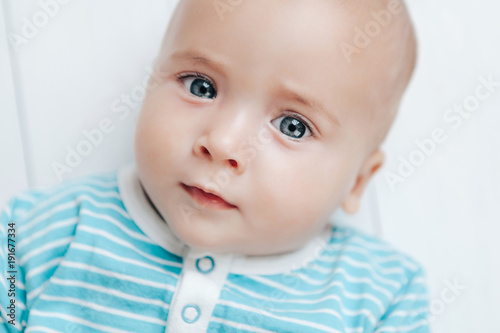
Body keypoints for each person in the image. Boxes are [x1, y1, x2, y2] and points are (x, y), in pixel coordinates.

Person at [1, 0, 430, 332]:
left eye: (293, 126)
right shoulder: (38, 230)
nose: (223, 143)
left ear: (357, 181)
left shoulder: (381, 296)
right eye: (200, 86)